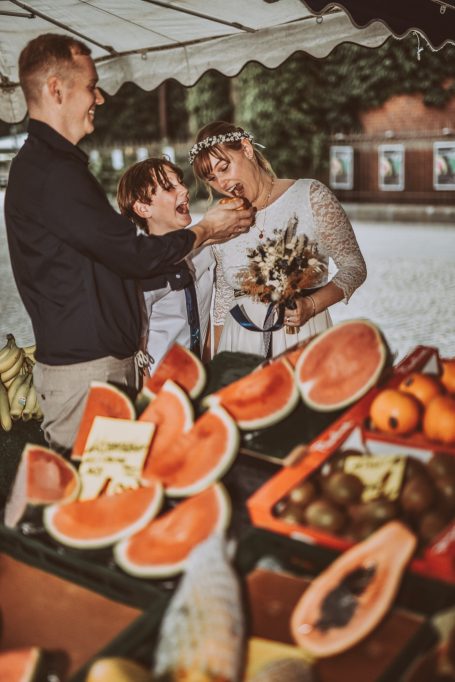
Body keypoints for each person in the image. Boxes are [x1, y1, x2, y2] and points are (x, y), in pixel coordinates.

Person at [4, 36, 253, 452]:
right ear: (55, 89)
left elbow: (116, 253)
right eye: (90, 86)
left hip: (91, 367)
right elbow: (134, 255)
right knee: (95, 495)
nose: (98, 98)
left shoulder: (49, 168)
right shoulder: (52, 173)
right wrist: (208, 229)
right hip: (85, 373)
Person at [190, 121, 367, 358]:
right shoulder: (222, 218)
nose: (220, 183)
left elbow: (354, 267)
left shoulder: (311, 196)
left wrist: (312, 305)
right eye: (211, 178)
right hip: (239, 344)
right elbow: (223, 298)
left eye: (224, 168)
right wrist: (218, 364)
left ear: (246, 149)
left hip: (303, 337)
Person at [117, 157, 215, 370]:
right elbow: (137, 351)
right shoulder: (140, 273)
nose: (184, 190)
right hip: (160, 379)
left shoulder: (205, 250)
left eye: (181, 182)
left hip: (203, 371)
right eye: (170, 187)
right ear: (143, 209)